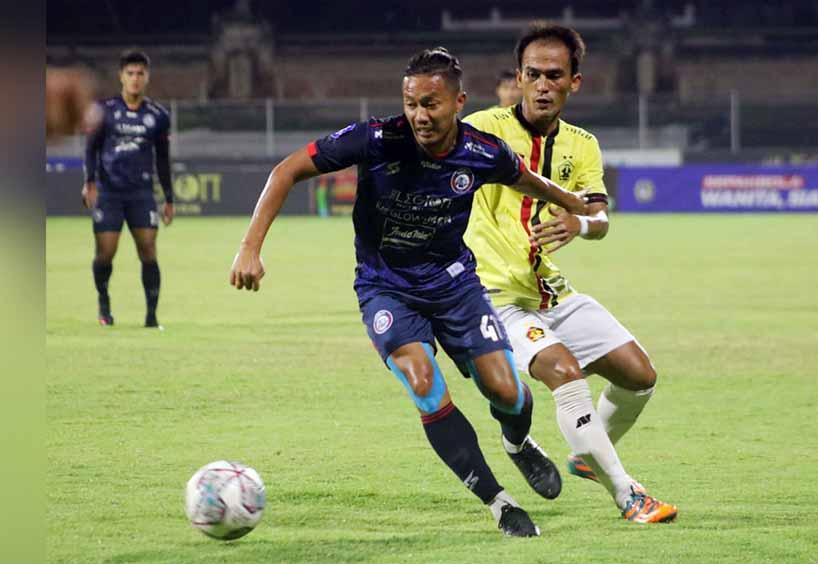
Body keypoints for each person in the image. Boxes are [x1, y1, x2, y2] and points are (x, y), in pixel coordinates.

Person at [229, 48, 587, 537]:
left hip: (453, 283)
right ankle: (498, 501)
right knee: (422, 381)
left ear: (458, 101)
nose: (419, 115)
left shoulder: (481, 152)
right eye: (411, 102)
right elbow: (286, 171)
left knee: (505, 391)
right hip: (386, 287)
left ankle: (517, 443)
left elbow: (529, 181)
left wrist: (578, 207)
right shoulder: (376, 140)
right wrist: (250, 248)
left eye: (431, 104)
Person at [463, 23, 679, 524]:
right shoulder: (484, 129)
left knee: (639, 376)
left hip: (551, 292)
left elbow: (601, 220)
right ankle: (628, 494)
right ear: (517, 77)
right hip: (491, 297)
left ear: (574, 82)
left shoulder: (583, 145)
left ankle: (588, 453)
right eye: (532, 74)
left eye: (553, 75)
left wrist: (578, 222)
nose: (541, 85)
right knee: (565, 372)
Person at [82, 50, 175, 328]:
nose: (135, 79)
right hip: (109, 192)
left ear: (147, 77)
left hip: (142, 193)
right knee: (105, 253)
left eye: (140, 73)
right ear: (121, 76)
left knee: (148, 250)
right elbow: (91, 149)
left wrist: (168, 197)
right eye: (130, 73)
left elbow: (163, 159)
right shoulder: (105, 111)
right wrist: (90, 183)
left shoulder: (158, 116)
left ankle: (151, 316)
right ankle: (104, 303)